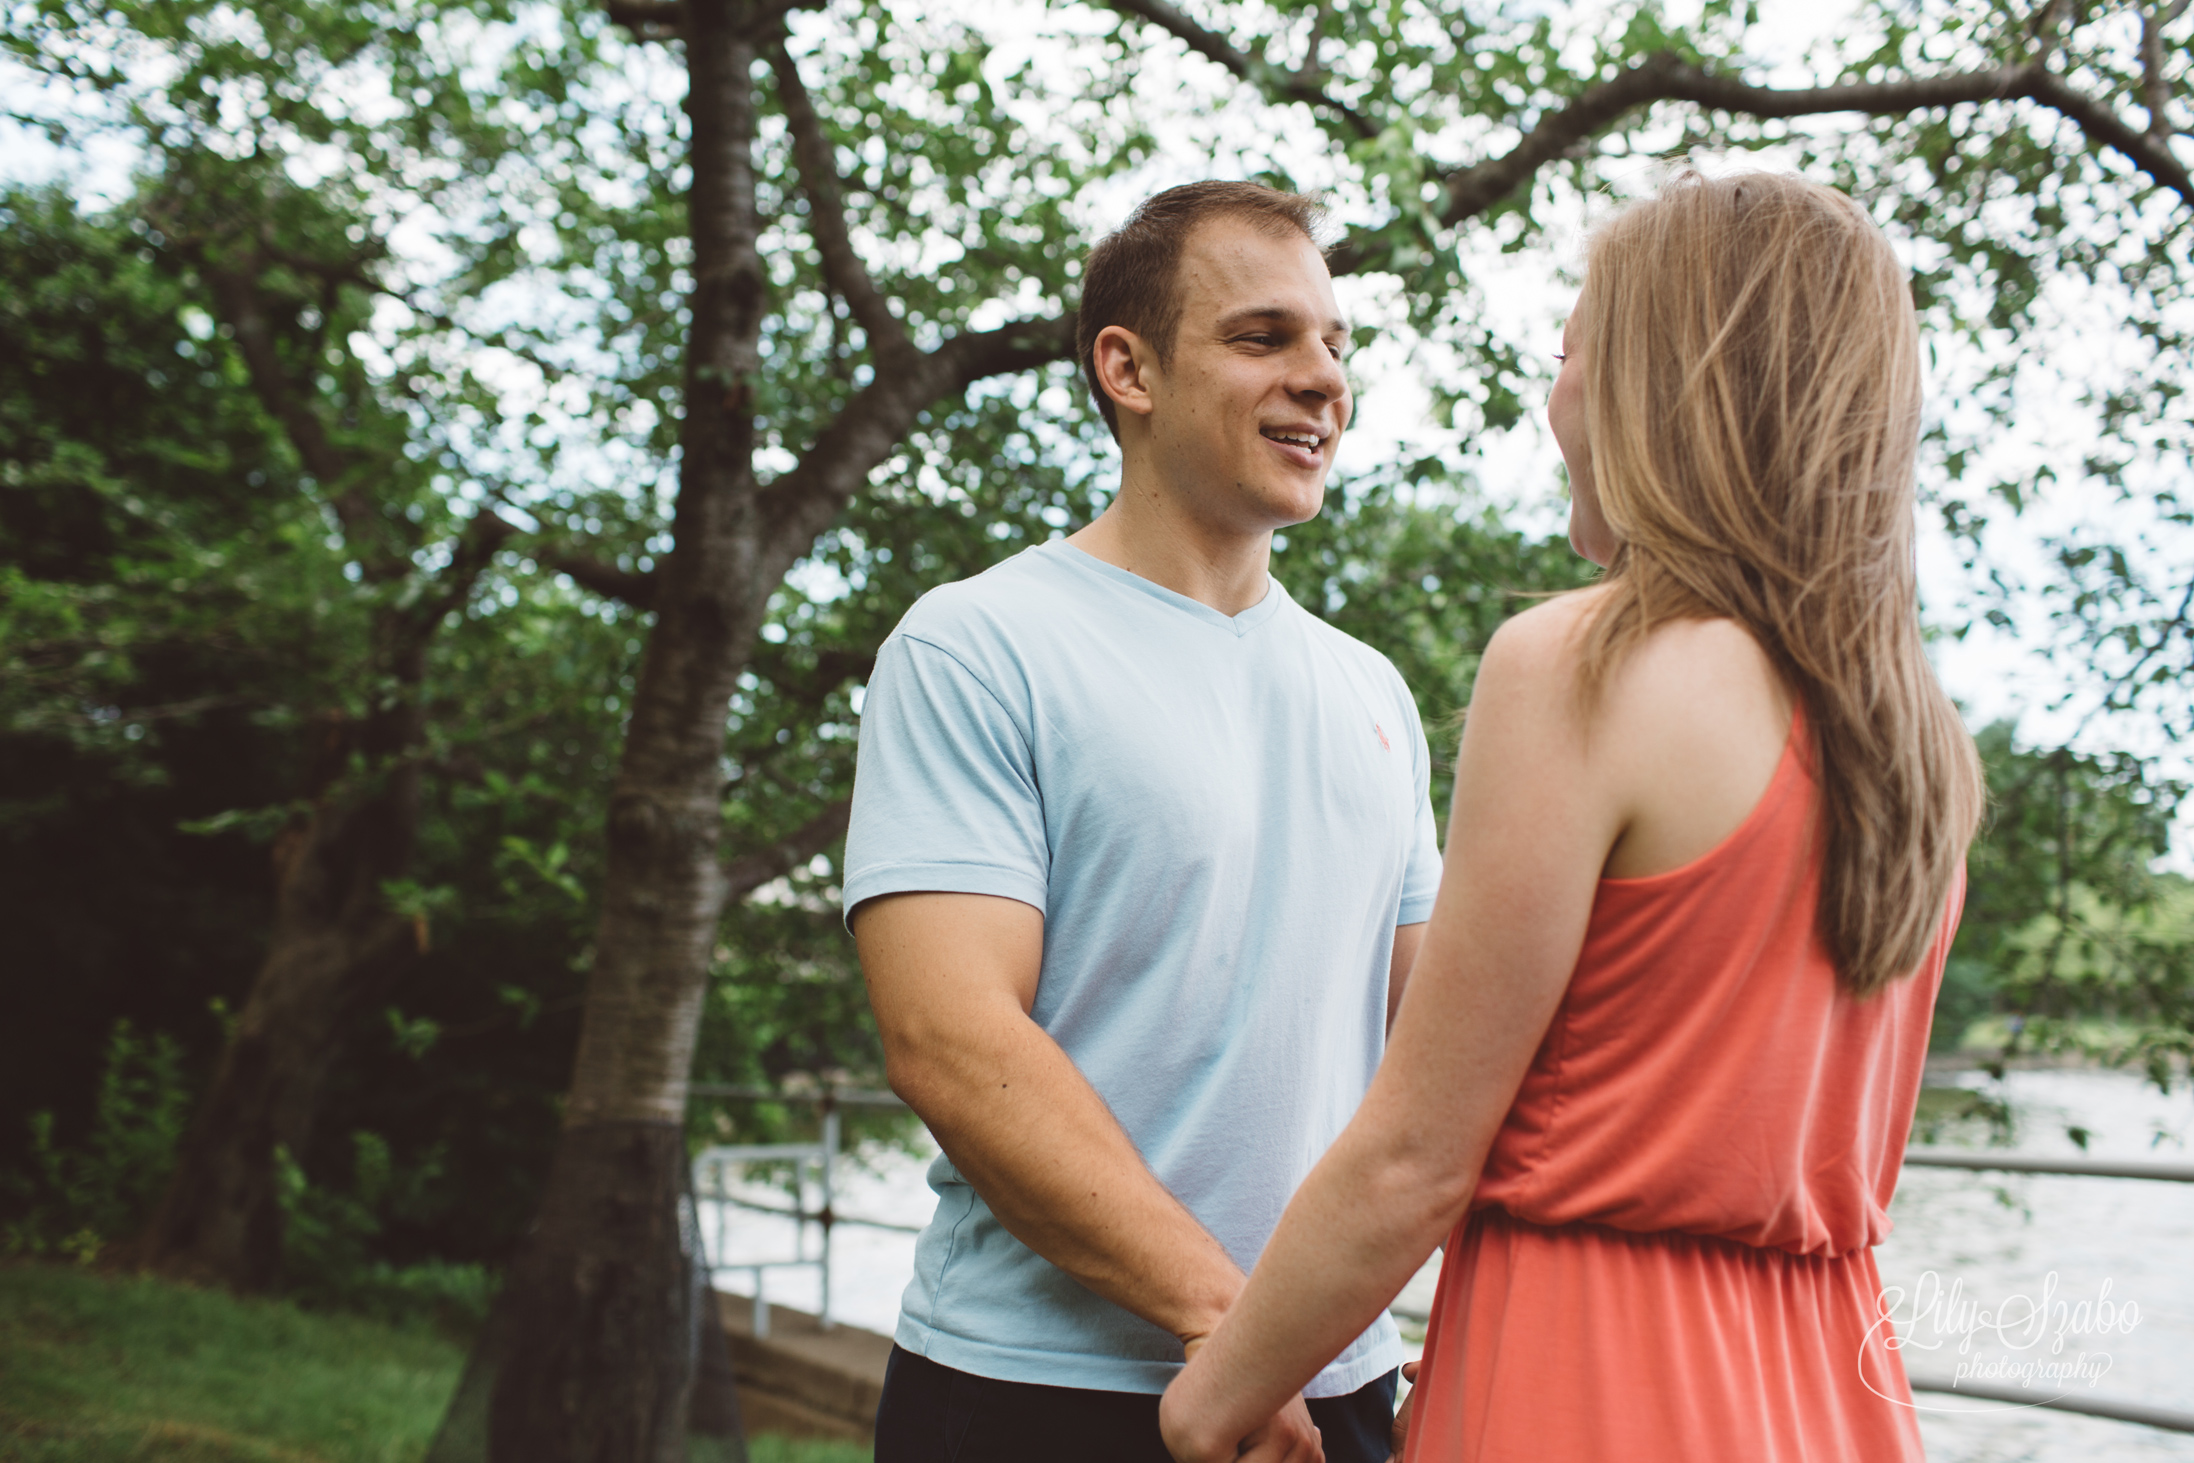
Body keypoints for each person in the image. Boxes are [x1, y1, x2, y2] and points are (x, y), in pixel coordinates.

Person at [1157, 171, 1984, 1463]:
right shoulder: (1910, 732)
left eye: (1567, 354)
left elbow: (1415, 1154)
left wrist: (1210, 1401)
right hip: (1825, 1391)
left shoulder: (1583, 665)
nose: (1554, 399)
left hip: (1592, 1381)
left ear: (1655, 386)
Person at [843, 181, 1444, 1463]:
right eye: (1262, 337)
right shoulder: (978, 643)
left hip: (1335, 1391)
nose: (1322, 380)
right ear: (1128, 367)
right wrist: (1230, 1326)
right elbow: (948, 1039)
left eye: (1335, 345)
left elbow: (1436, 1057)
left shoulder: (1373, 692)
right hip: (1029, 1390)